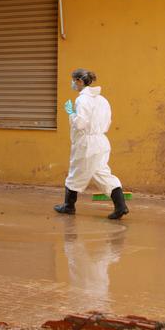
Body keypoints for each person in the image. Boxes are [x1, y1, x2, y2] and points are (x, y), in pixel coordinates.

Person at [54, 68, 129, 219]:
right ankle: (121, 206)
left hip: (86, 143)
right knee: (101, 172)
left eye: (73, 80)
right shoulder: (102, 100)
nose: (72, 83)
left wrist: (71, 113)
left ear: (79, 81)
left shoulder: (82, 99)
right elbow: (107, 122)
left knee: (75, 173)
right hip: (101, 141)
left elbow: (80, 124)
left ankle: (69, 206)